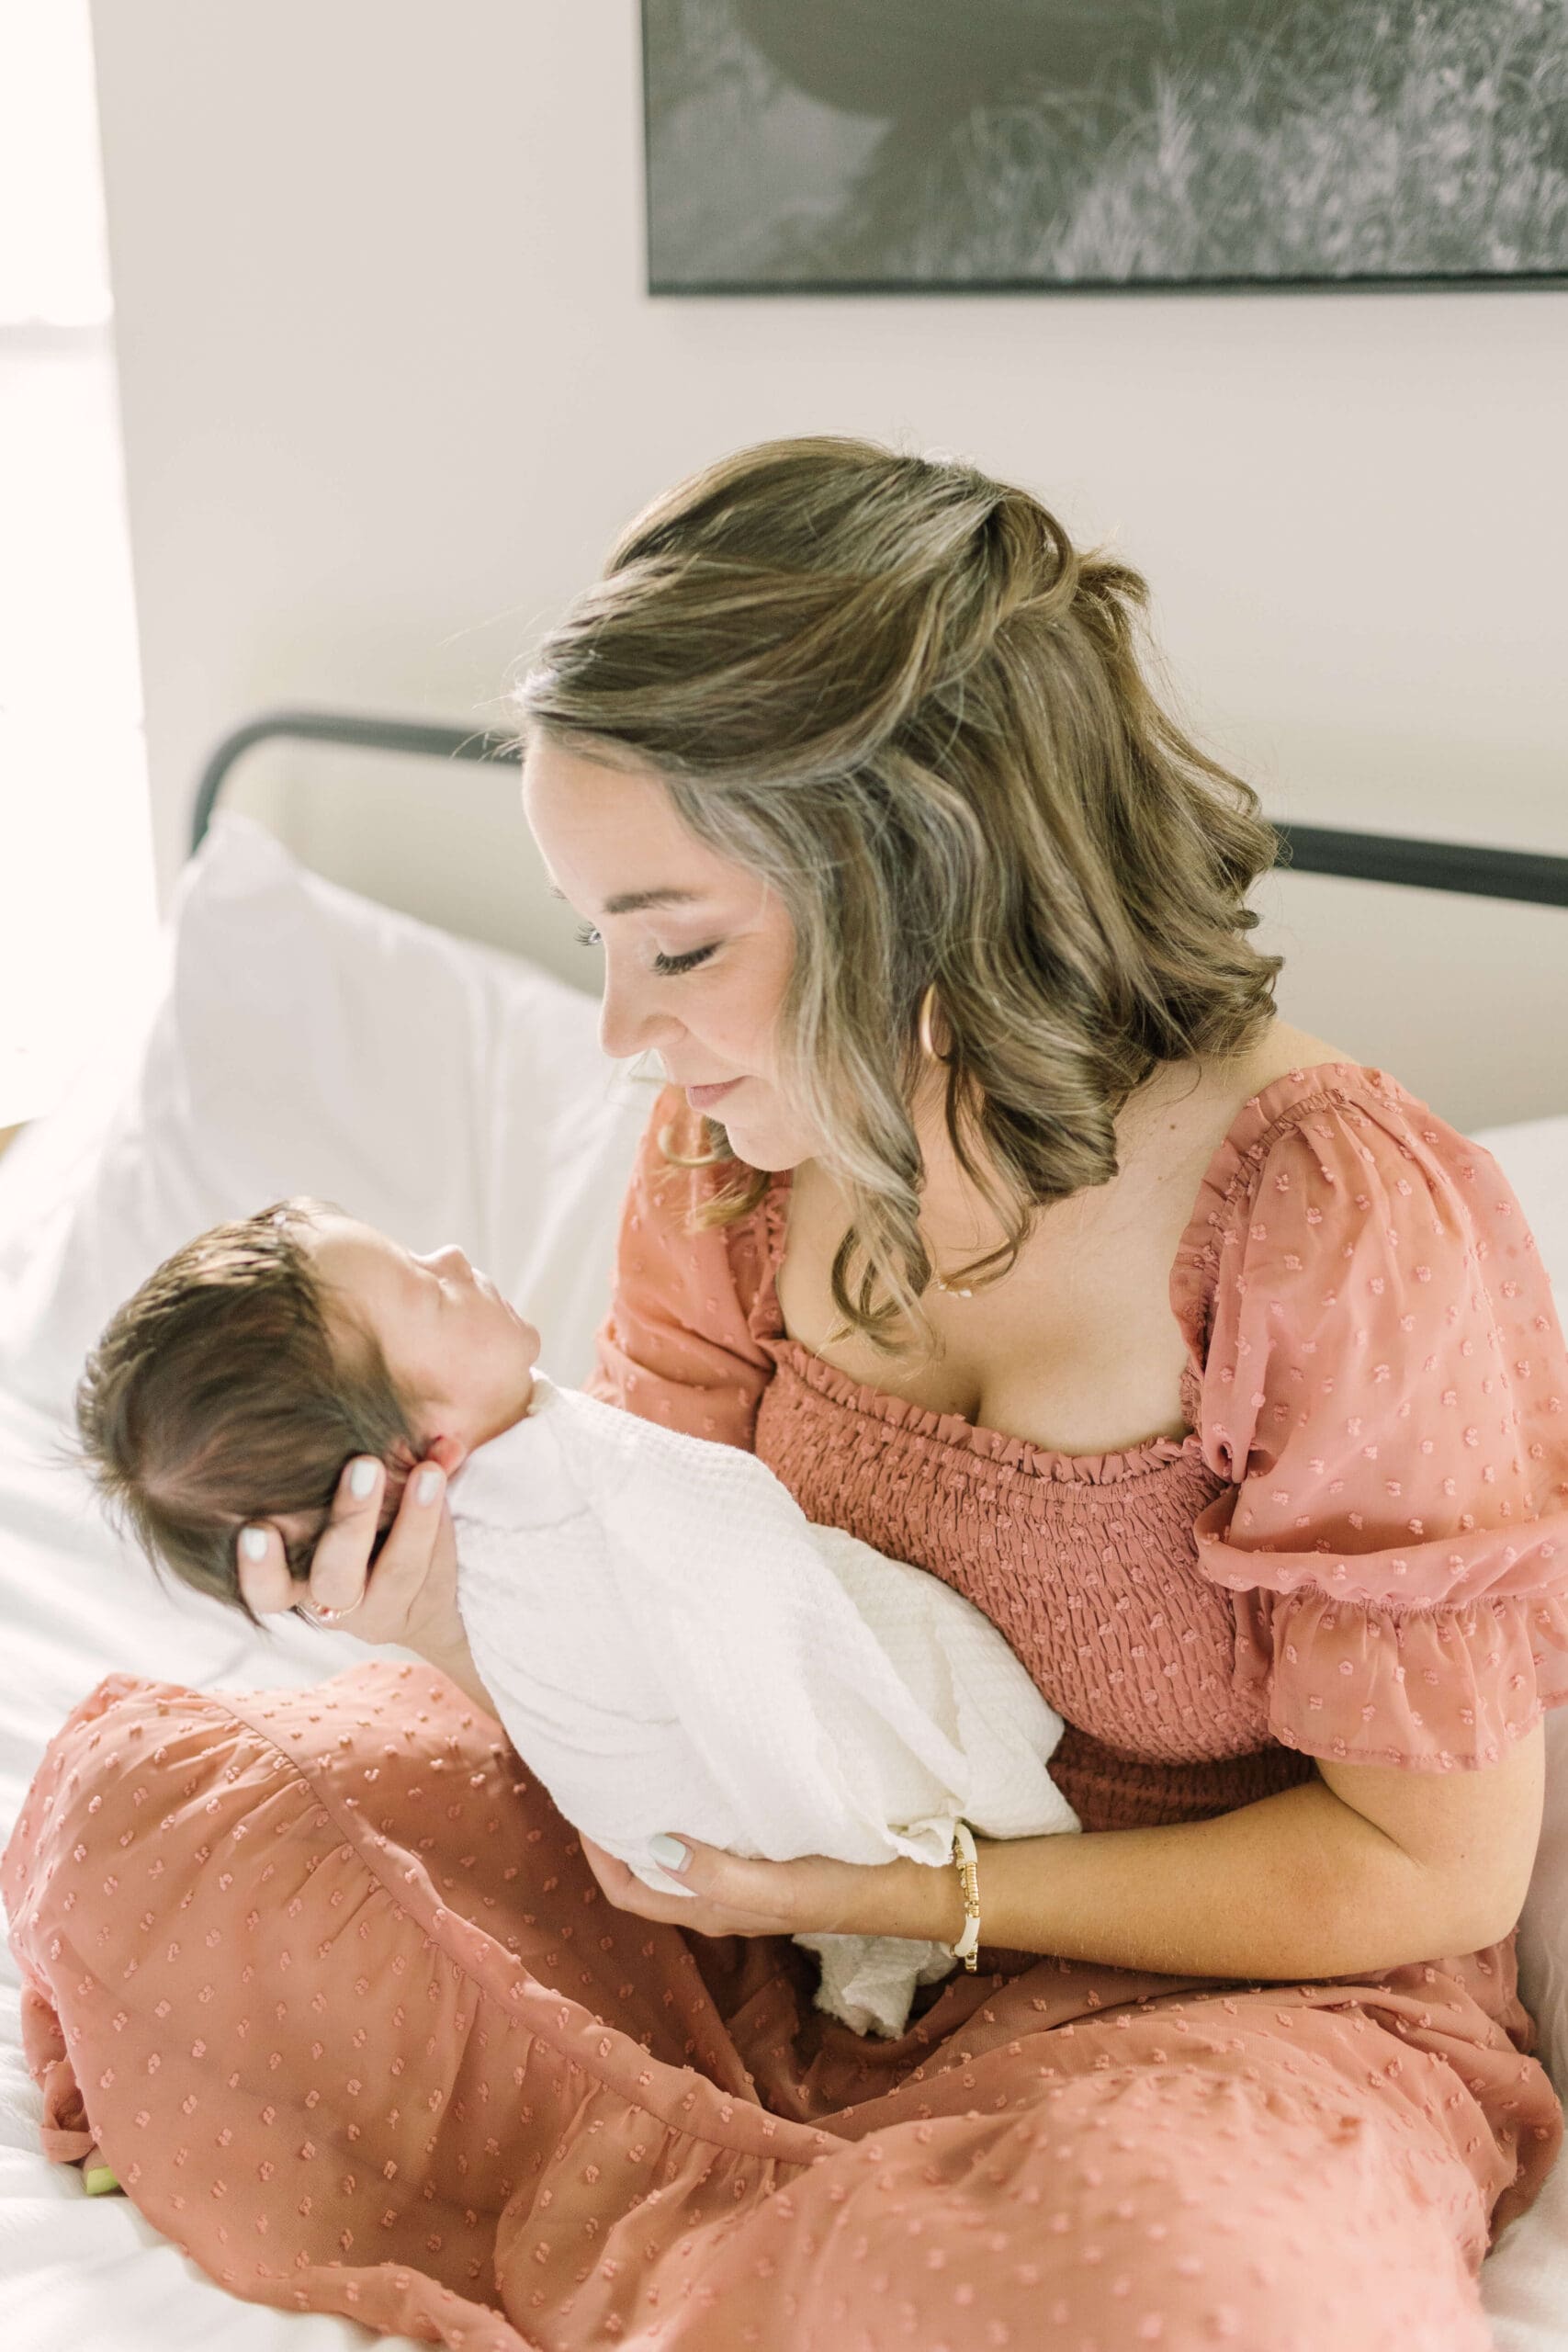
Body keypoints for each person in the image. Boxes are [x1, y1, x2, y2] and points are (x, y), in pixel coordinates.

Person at [6, 436, 1567, 2351]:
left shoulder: (1323, 1216)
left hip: (1214, 1981)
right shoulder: (723, 1160)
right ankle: (797, 2239)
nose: (620, 1030)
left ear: (928, 873)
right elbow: (670, 1632)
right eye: (599, 940)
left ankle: (840, 2243)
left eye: (676, 945)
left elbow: (1426, 1863)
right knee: (171, 1826)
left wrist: (899, 1895)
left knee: (1174, 2294)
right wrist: (447, 1630)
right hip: (769, 1871)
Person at [70, 1195, 1080, 2039]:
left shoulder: (555, 1476)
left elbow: (746, 1612)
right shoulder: (557, 1511)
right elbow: (703, 1657)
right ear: (422, 1446)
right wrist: (433, 1629)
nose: (456, 1255)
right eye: (425, 1287)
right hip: (838, 1846)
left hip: (897, 1879)